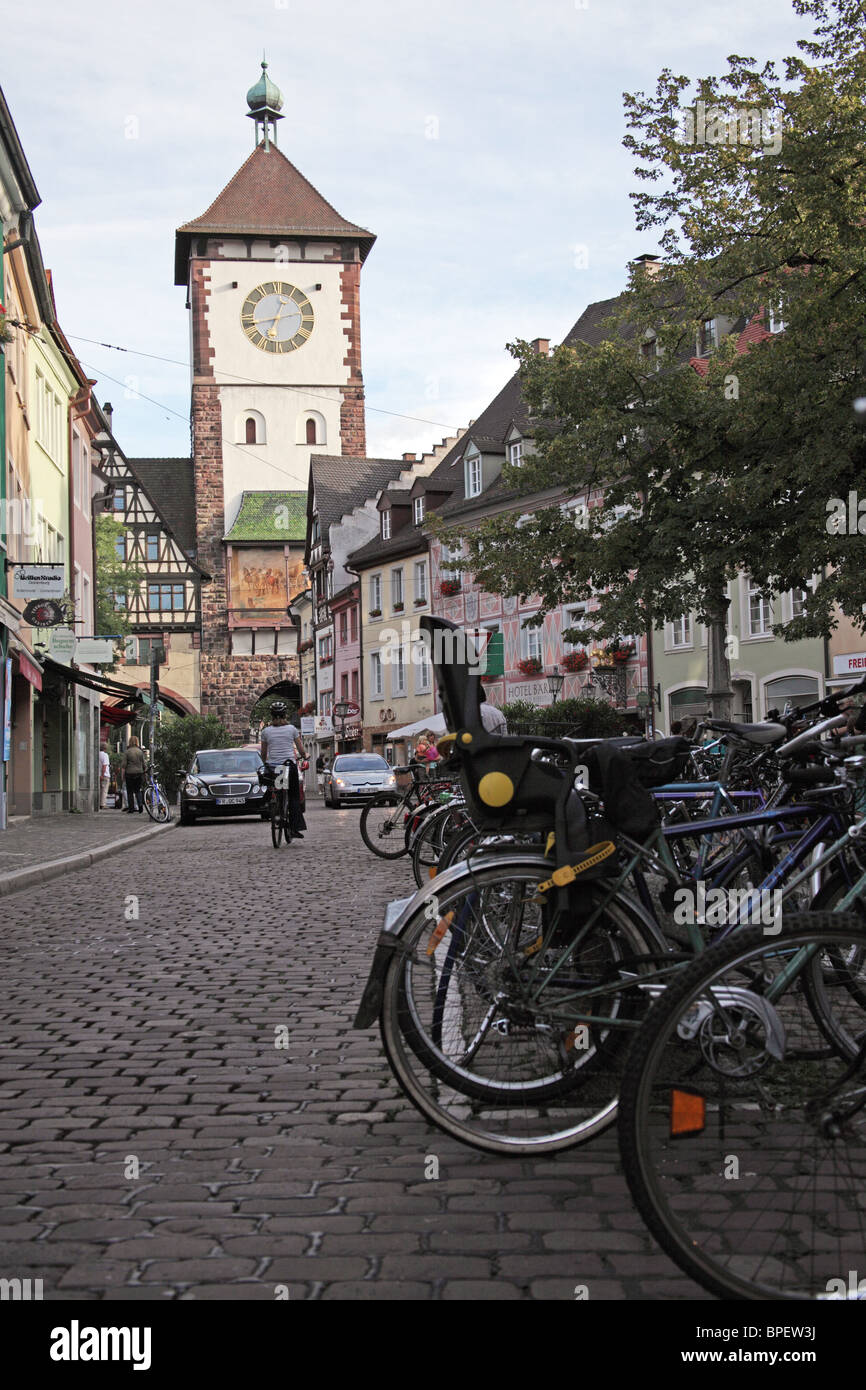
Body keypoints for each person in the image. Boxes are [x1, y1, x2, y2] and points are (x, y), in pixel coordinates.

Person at [260, 702, 307, 837]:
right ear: (285, 715)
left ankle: (275, 805)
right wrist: (305, 756)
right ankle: (294, 827)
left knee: (277, 788)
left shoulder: (266, 732)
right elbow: (300, 749)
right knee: (293, 796)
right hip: (288, 767)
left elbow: (263, 754)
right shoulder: (291, 729)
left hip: (274, 768)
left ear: (272, 716)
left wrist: (265, 764)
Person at [121, 736, 147, 814]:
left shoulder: (127, 752)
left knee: (130, 792)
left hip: (129, 774)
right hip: (139, 773)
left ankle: (131, 808)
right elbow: (144, 764)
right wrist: (145, 774)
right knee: (138, 791)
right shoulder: (140, 752)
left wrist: (122, 776)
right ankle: (140, 807)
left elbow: (123, 766)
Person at [99, 742, 111, 810]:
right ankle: (102, 804)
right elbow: (104, 766)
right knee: (104, 790)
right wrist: (102, 775)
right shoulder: (105, 755)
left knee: (100, 790)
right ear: (105, 748)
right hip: (105, 775)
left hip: (98, 775)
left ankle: (98, 803)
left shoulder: (97, 754)